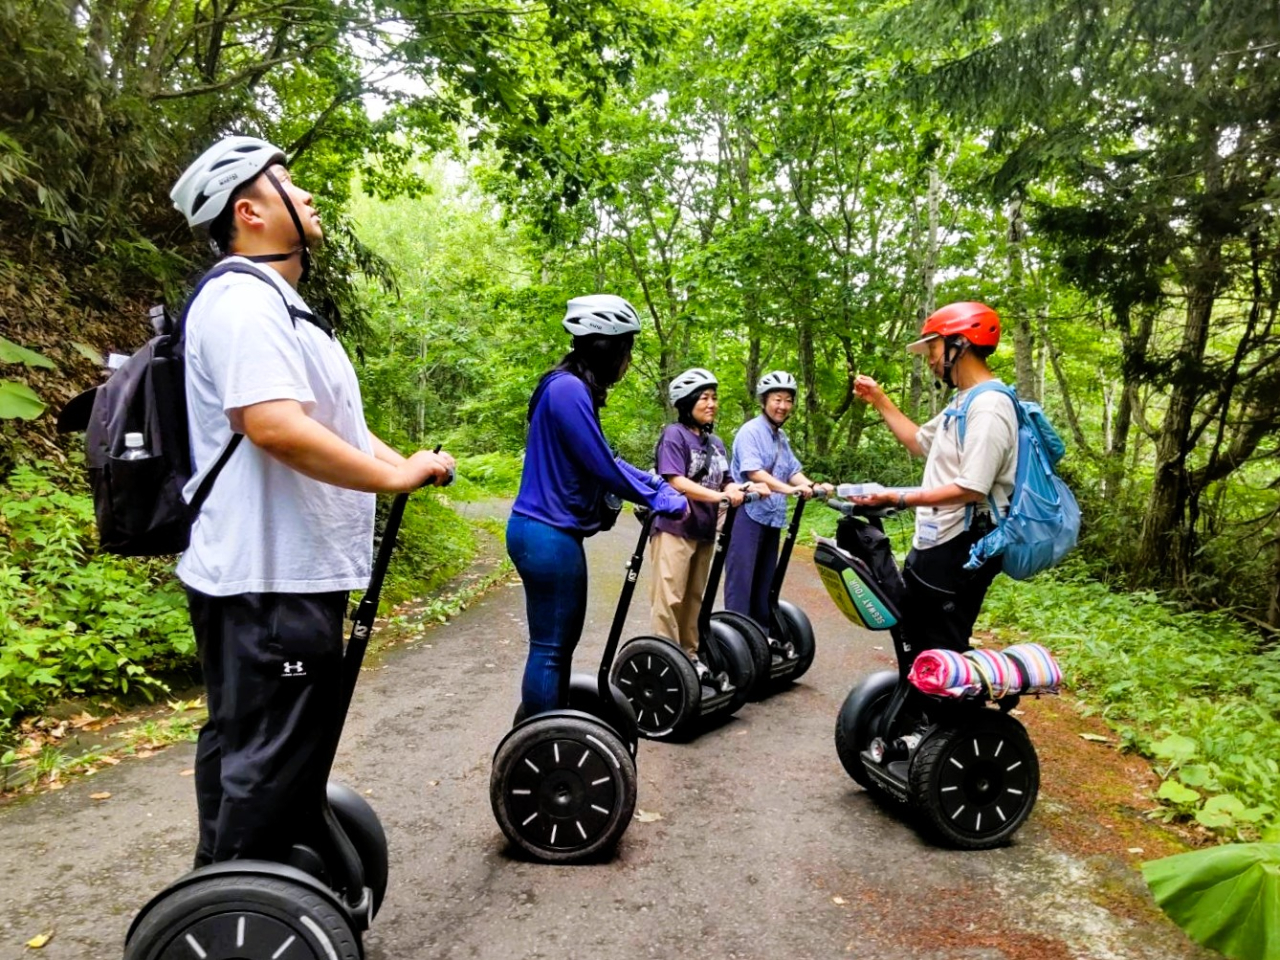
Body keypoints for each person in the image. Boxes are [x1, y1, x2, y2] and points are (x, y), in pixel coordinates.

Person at [169, 136, 455, 867]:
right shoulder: (240, 302)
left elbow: (338, 427)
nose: (308, 196)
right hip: (268, 581)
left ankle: (250, 896)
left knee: (266, 753)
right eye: (289, 185)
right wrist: (392, 480)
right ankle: (232, 914)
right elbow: (273, 426)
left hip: (289, 579)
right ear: (250, 210)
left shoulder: (278, 307)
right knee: (264, 763)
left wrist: (410, 465)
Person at [507, 295, 688, 716]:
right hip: (546, 534)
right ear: (606, 347)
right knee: (551, 650)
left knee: (558, 647)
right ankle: (540, 739)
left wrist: (653, 482)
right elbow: (600, 464)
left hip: (549, 533)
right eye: (626, 349)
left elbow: (605, 456)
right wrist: (654, 496)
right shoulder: (567, 389)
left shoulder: (569, 388)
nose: (627, 360)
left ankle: (544, 732)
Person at [849, 301, 1016, 662]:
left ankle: (949, 717)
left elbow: (972, 487)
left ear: (961, 343)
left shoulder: (989, 406)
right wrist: (879, 399)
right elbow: (918, 442)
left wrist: (899, 498)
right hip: (940, 540)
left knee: (941, 645)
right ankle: (924, 715)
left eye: (934, 348)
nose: (929, 359)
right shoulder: (964, 401)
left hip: (962, 546)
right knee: (921, 635)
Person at [649, 368, 771, 689]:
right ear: (687, 401)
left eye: (714, 397)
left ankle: (690, 656)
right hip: (674, 528)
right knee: (669, 598)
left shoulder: (715, 442)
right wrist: (719, 496)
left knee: (694, 599)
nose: (712, 403)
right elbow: (675, 480)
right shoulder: (674, 435)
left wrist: (745, 488)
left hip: (703, 530)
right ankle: (667, 658)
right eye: (705, 397)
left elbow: (726, 479)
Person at [723, 371, 833, 635]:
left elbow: (792, 470)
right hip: (746, 515)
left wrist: (812, 486)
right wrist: (790, 489)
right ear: (764, 401)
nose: (783, 406)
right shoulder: (750, 431)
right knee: (742, 582)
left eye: (788, 400)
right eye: (777, 399)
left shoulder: (781, 438)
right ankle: (736, 640)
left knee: (765, 583)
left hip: (772, 517)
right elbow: (754, 472)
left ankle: (760, 639)